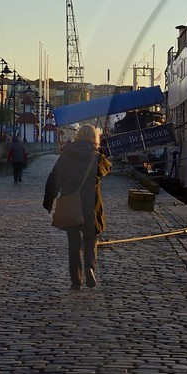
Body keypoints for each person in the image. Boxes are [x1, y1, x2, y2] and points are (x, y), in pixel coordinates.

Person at [43, 124, 111, 289]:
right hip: (90, 205)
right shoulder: (97, 157)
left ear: (77, 136)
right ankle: (90, 266)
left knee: (73, 243)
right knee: (90, 238)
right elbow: (108, 168)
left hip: (70, 203)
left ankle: (76, 281)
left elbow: (54, 178)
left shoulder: (67, 155)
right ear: (94, 138)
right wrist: (101, 153)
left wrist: (49, 201)